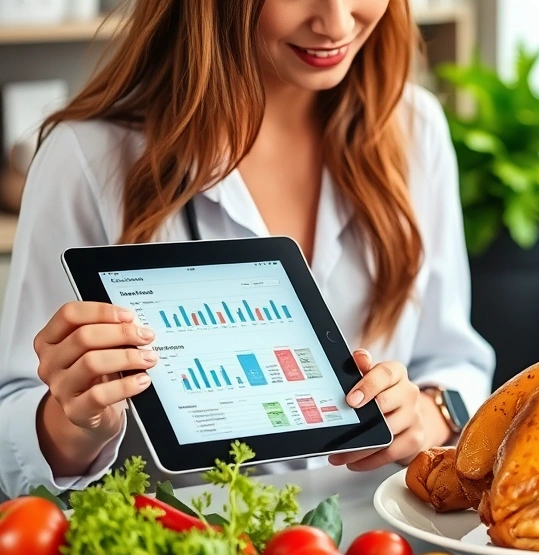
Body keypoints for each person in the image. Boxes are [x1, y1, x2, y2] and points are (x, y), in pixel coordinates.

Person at [0, 0, 495, 500]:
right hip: (198, 539)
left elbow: (453, 360)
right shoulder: (87, 157)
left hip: (380, 535)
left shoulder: (414, 127)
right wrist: (78, 424)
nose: (337, 23)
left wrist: (425, 415)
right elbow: (13, 448)